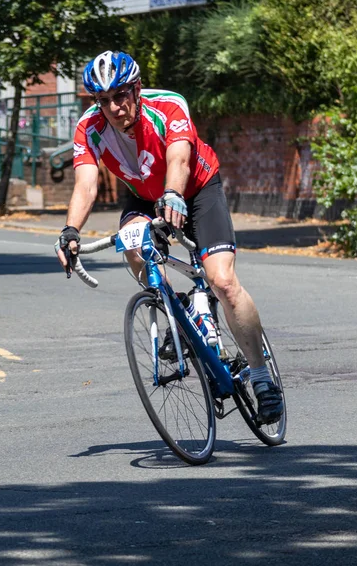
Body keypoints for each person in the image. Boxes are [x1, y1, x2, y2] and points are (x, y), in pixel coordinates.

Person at [56, 50, 283, 424]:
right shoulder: (89, 127)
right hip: (143, 195)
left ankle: (261, 379)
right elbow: (86, 184)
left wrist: (174, 195)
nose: (113, 107)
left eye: (120, 95)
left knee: (222, 281)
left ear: (137, 89)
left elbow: (179, 158)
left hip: (195, 189)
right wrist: (70, 231)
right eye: (103, 100)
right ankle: (174, 309)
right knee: (131, 245)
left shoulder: (168, 105)